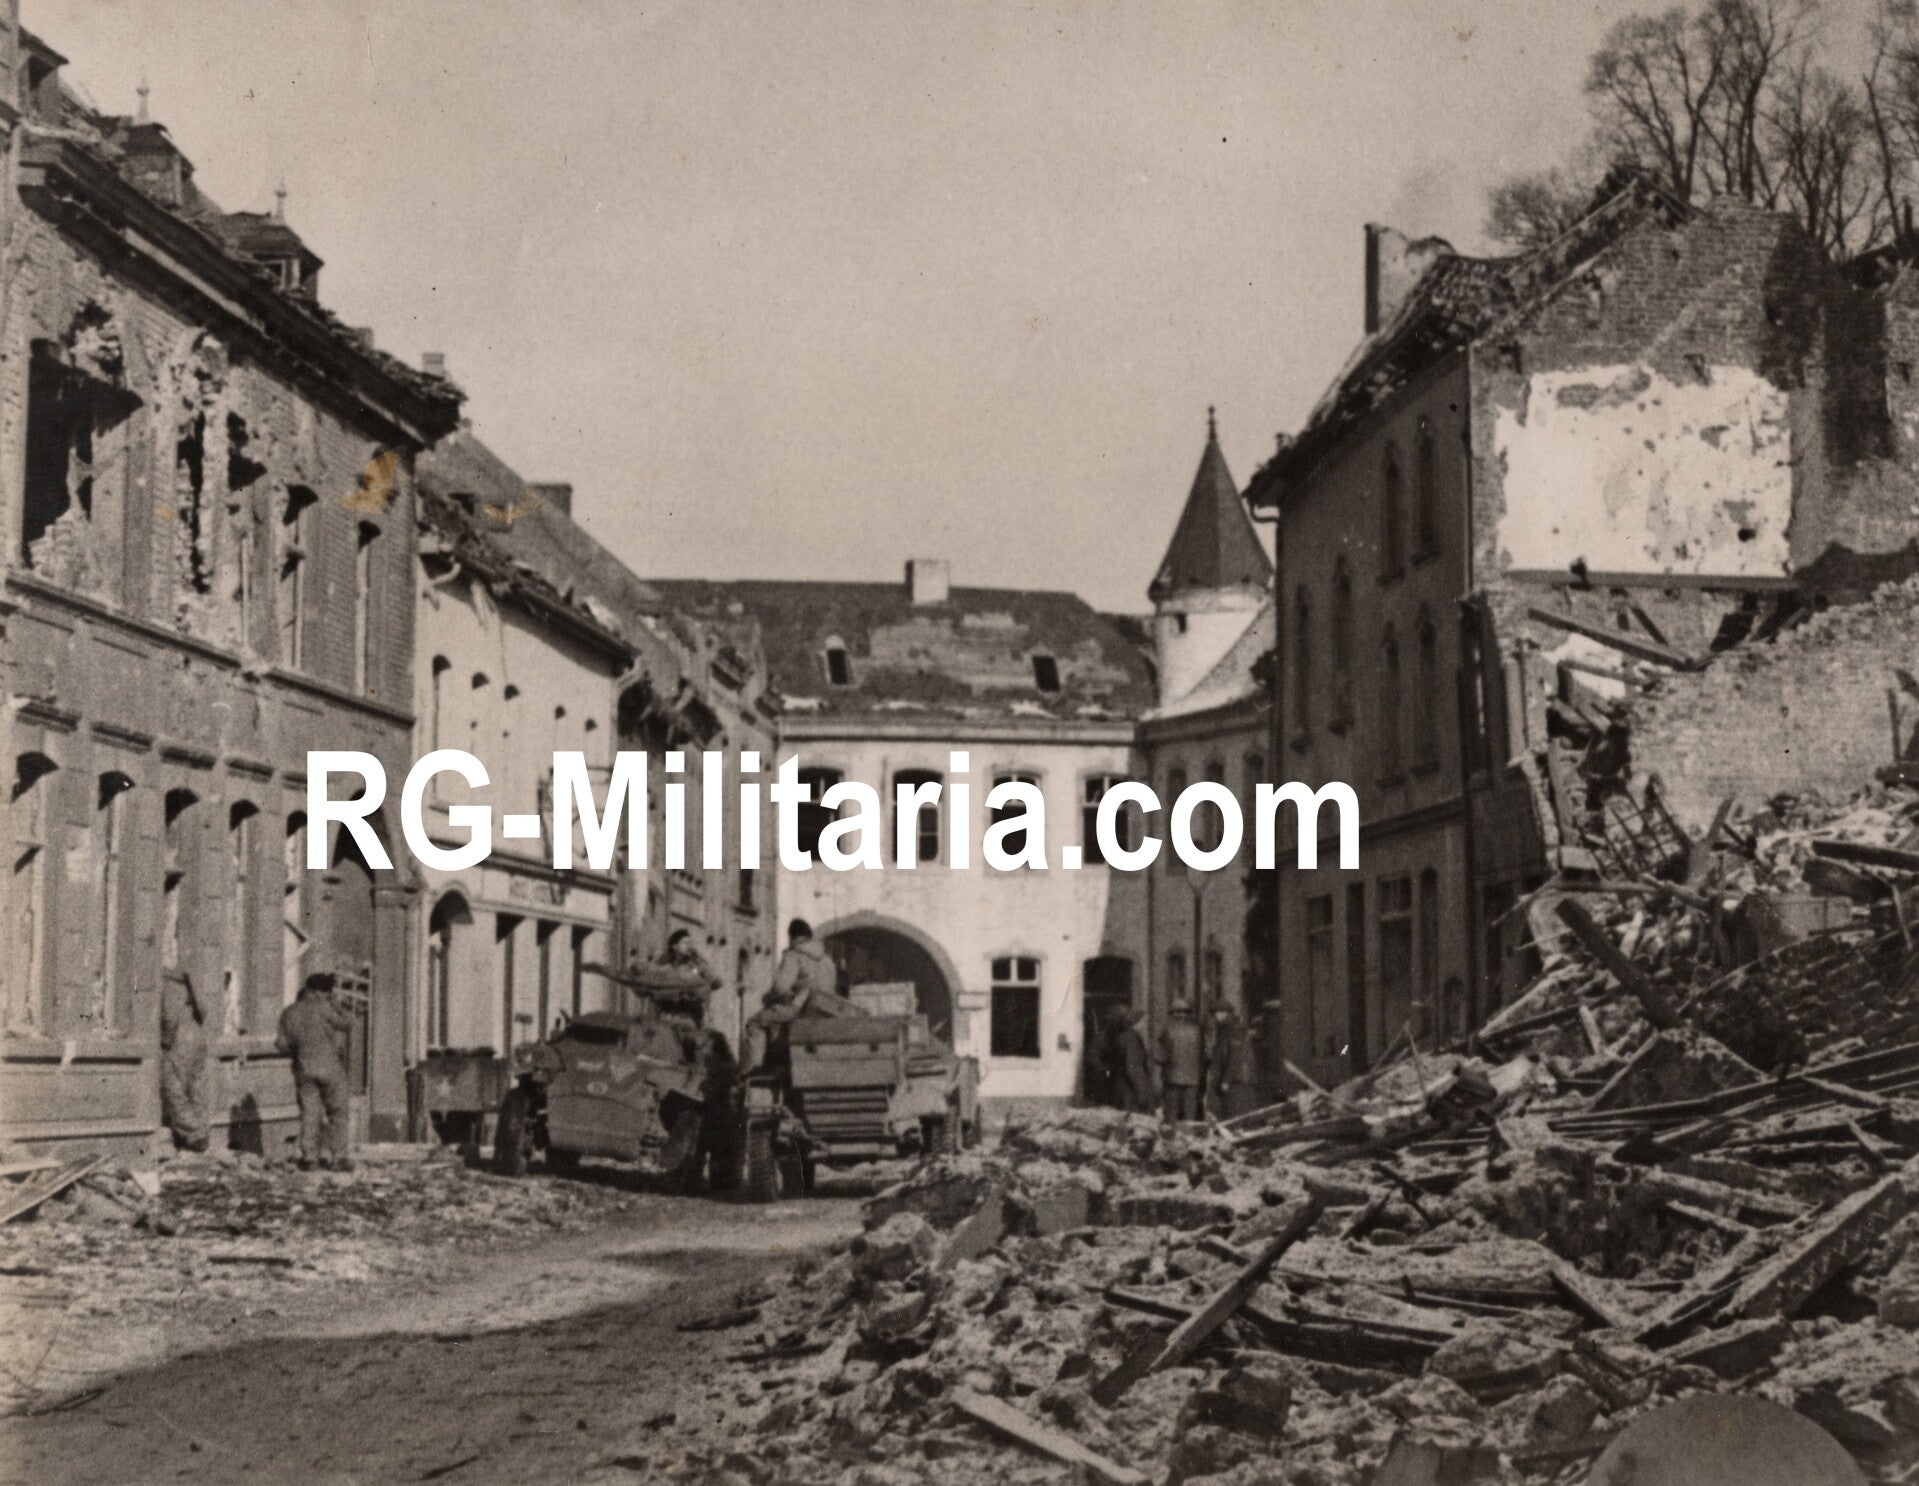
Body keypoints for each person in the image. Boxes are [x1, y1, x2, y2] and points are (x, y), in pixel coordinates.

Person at [276, 971, 355, 1171]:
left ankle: (309, 1158)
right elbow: (348, 1023)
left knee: (310, 1113)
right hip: (330, 1068)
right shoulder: (324, 1007)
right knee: (338, 1111)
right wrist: (337, 1005)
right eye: (328, 992)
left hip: (303, 1069)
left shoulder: (289, 1012)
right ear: (321, 992)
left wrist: (299, 1050)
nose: (329, 995)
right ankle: (339, 1158)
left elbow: (282, 1044)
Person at [159, 968, 211, 1152]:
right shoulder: (190, 979)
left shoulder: (168, 981)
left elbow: (169, 1016)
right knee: (195, 1087)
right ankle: (201, 1131)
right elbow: (204, 1010)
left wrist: (165, 1040)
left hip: (180, 1038)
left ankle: (193, 1133)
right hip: (196, 1033)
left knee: (173, 1086)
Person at [695, 1028, 740, 1191]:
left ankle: (711, 1182)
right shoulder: (726, 1060)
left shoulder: (713, 1060)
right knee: (716, 1149)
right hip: (716, 1110)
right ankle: (719, 1182)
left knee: (705, 1148)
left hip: (713, 1109)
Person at [1158, 1001, 1203, 1122]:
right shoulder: (1197, 1029)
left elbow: (1162, 1055)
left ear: (1173, 1012)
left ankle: (1172, 1136)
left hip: (1173, 1076)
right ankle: (1189, 1136)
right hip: (1193, 1077)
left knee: (1172, 1111)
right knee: (1190, 1111)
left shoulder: (1167, 1029)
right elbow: (1205, 1054)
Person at [1204, 1002, 1247, 1119]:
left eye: (1215, 1014)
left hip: (1234, 1078)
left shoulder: (1233, 1027)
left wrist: (1226, 1080)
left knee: (1231, 1111)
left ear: (1223, 1013)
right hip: (1229, 1076)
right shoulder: (1227, 1027)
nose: (1214, 1018)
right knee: (1226, 1111)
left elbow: (1235, 1055)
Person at [1119, 1009, 1157, 1115]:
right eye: (1144, 1022)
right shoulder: (1131, 1040)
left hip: (1132, 1088)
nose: (1145, 1025)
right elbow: (1133, 1067)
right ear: (1136, 1022)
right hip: (1134, 1091)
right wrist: (1142, 1092)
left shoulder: (1130, 1037)